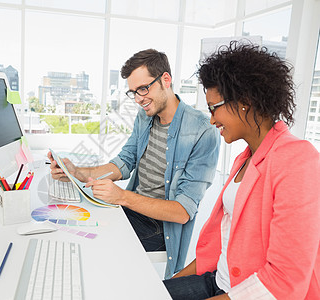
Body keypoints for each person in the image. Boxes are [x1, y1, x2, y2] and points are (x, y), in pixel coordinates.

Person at [163, 41, 320, 300]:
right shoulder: (245, 158)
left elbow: (284, 280)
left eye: (214, 108)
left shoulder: (298, 160)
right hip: (217, 281)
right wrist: (164, 285)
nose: (212, 119)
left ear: (245, 101)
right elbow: (218, 248)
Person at [48, 49, 220, 278]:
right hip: (131, 209)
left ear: (166, 80)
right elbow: (125, 162)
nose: (138, 98)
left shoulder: (202, 130)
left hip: (161, 227)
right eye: (133, 92)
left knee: (89, 242)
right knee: (76, 221)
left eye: (143, 88)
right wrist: (78, 172)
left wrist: (121, 197)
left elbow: (182, 212)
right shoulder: (146, 115)